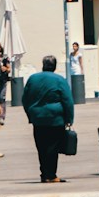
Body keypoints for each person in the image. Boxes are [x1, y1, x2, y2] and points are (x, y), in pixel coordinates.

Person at [22, 55, 75, 183]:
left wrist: (30, 114)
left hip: (38, 118)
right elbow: (67, 101)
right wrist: (69, 119)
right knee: (52, 148)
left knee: (41, 147)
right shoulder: (59, 79)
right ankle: (51, 174)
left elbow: (25, 99)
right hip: (55, 118)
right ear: (55, 66)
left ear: (43, 65)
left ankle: (44, 173)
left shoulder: (33, 79)